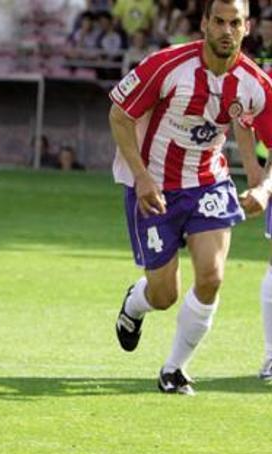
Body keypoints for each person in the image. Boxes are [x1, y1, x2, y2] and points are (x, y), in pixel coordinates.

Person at [110, 0, 272, 395]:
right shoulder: (167, 65)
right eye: (218, 21)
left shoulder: (256, 85)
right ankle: (135, 305)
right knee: (164, 294)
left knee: (212, 277)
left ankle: (174, 369)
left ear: (246, 27)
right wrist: (142, 176)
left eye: (235, 22)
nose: (226, 31)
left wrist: (264, 187)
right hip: (155, 189)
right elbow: (119, 115)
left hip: (208, 184)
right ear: (204, 23)